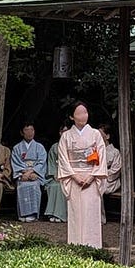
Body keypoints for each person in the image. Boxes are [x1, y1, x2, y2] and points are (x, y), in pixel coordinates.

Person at [55, 102, 112, 248]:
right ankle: (75, 245)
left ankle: (93, 246)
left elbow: (101, 157)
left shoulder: (95, 135)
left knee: (91, 213)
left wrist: (92, 176)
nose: (83, 116)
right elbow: (63, 158)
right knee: (76, 213)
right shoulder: (66, 136)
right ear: (71, 117)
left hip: (91, 178)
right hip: (74, 179)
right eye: (79, 113)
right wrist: (73, 175)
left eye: (85, 112)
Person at [8, 125, 49, 221]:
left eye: (32, 130)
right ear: (22, 133)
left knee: (34, 186)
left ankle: (33, 214)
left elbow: (42, 162)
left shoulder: (40, 147)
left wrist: (32, 172)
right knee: (21, 186)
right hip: (22, 175)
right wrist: (24, 173)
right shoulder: (17, 148)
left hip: (35, 175)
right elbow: (16, 162)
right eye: (27, 130)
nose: (30, 132)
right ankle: (22, 214)